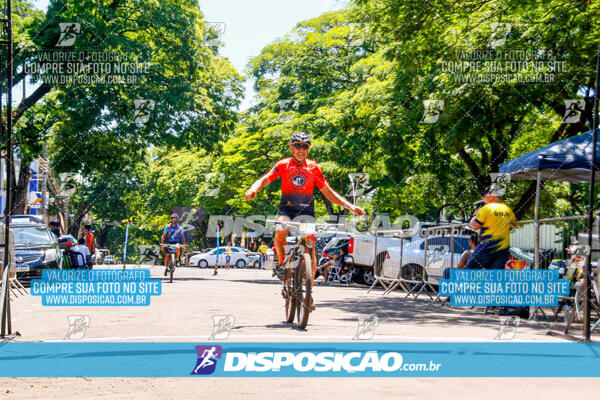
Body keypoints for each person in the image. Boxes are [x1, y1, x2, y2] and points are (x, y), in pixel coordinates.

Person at [244, 131, 365, 280]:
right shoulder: (283, 165)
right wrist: (253, 189)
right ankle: (281, 263)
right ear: (291, 149)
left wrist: (350, 206)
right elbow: (265, 179)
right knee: (281, 228)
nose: (301, 150)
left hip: (306, 212)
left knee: (310, 245)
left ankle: (309, 292)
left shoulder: (313, 167)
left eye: (304, 147)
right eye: (297, 146)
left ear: (308, 149)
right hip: (287, 209)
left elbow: (328, 192)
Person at [466, 185, 517, 270]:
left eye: (485, 195)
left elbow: (474, 226)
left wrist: (475, 214)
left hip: (487, 246)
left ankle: (473, 283)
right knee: (494, 276)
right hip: (503, 249)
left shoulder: (485, 209)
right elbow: (513, 224)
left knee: (470, 268)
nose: (483, 198)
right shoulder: (507, 209)